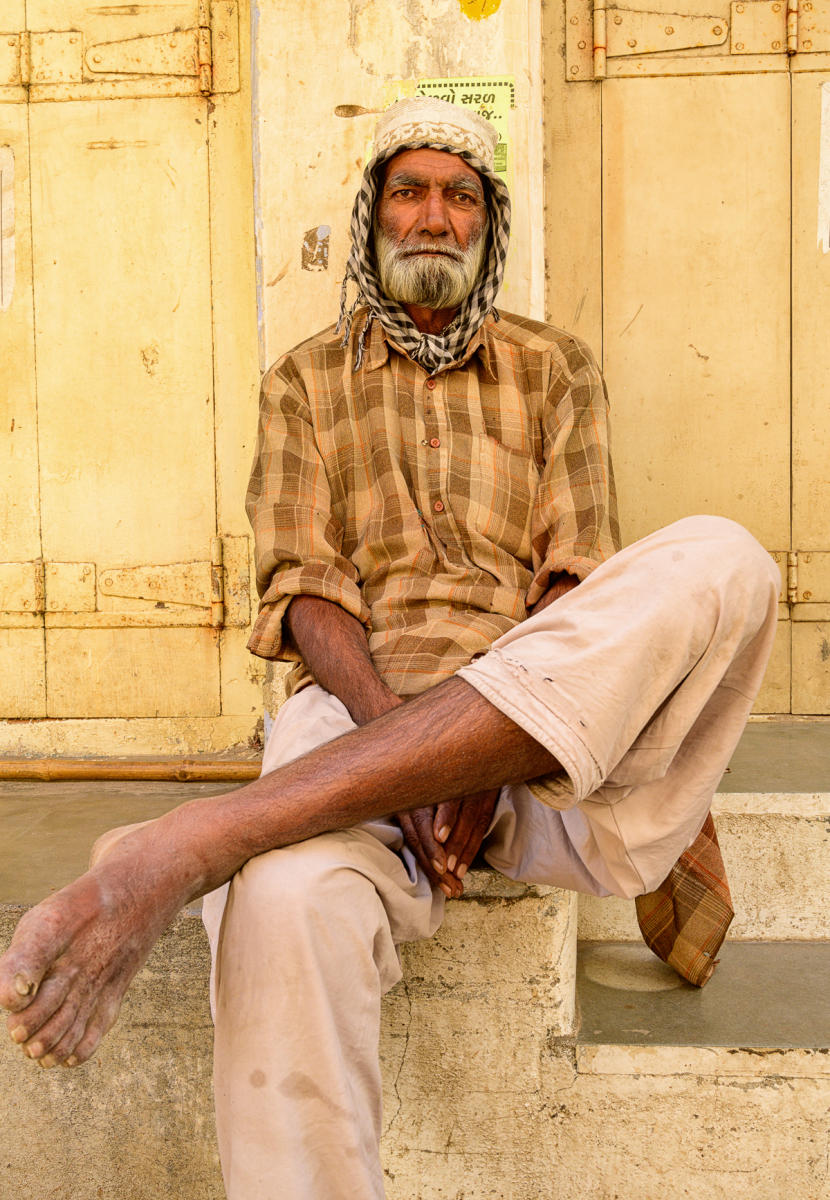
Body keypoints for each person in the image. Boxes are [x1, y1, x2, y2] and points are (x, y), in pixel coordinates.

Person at [0, 99, 779, 1199]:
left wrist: (490, 750)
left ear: (485, 226)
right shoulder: (302, 381)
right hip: (356, 714)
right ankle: (254, 855)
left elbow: (576, 571)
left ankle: (198, 837)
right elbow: (305, 594)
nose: (432, 216)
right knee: (279, 904)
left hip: (554, 735)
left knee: (725, 558)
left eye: (459, 196)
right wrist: (413, 748)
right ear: (372, 219)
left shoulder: (555, 368)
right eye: (408, 192)